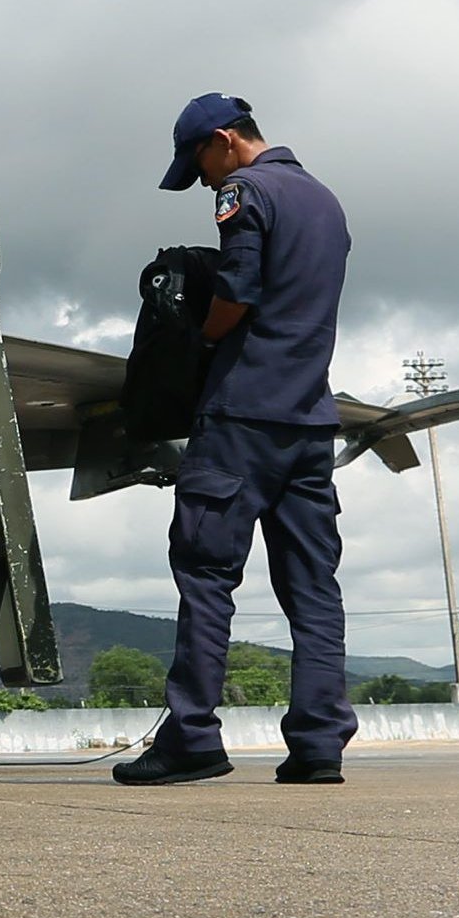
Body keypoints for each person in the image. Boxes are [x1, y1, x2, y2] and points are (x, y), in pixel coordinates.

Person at [118, 93, 356, 787]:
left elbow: (239, 290)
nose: (207, 184)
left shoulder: (246, 191)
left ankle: (192, 735)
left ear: (224, 141)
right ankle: (318, 744)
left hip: (242, 417)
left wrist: (200, 339)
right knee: (313, 589)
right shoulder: (326, 200)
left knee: (206, 575)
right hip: (310, 420)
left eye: (202, 166)